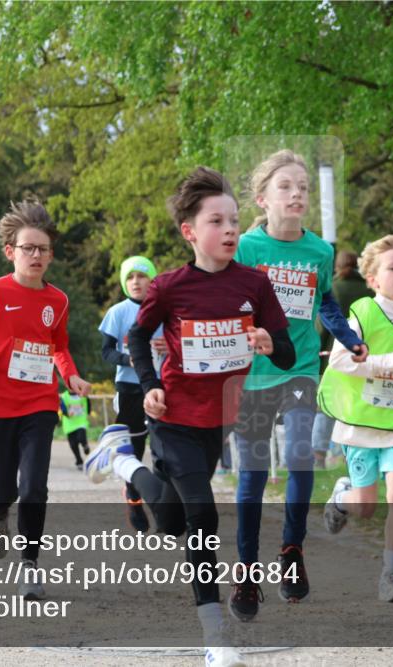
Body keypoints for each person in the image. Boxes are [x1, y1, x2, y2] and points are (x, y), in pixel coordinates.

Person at [84, 166, 293, 667]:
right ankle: (215, 637)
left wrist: (268, 343)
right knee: (202, 514)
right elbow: (137, 337)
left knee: (175, 519)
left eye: (235, 221)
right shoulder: (168, 287)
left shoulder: (255, 286)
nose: (229, 230)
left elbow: (285, 352)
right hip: (173, 416)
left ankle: (123, 461)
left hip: (217, 422)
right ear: (189, 231)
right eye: (217, 221)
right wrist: (151, 385)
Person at [230, 149, 368, 619]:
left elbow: (325, 301)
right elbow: (228, 305)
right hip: (252, 376)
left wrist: (348, 337)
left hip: (301, 368)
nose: (297, 195)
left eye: (303, 188)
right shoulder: (246, 248)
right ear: (262, 197)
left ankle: (292, 550)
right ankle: (246, 571)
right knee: (251, 473)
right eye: (286, 186)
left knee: (299, 457)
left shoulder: (320, 251)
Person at [0, 198, 92, 601]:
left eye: (43, 249)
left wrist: (71, 377)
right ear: (10, 251)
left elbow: (59, 347)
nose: (36, 255)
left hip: (39, 403)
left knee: (33, 486)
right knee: (2, 488)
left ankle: (29, 564)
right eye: (28, 248)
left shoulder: (58, 301)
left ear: (50, 255)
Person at [318, 234, 393, 603]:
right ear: (372, 279)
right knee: (366, 507)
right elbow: (340, 360)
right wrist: (385, 363)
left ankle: (390, 575)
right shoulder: (361, 312)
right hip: (359, 424)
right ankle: (342, 497)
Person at [97, 255, 165, 531]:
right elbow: (106, 351)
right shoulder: (118, 312)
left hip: (161, 386)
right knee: (134, 449)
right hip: (129, 388)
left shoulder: (165, 309)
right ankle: (134, 497)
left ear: (152, 279)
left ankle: (164, 507)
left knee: (163, 449)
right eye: (130, 277)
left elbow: (182, 342)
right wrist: (130, 360)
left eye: (142, 275)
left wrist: (170, 346)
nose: (136, 282)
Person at [313, 250, 372, 469]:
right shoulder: (367, 289)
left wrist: (316, 353)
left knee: (326, 406)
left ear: (336, 267)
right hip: (362, 355)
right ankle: (350, 454)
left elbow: (323, 326)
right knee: (355, 404)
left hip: (332, 357)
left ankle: (319, 454)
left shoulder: (333, 288)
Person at [59, 386, 90, 470]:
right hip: (69, 423)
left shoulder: (82, 394)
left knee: (81, 437)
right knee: (73, 444)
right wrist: (67, 413)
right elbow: (61, 407)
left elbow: (88, 403)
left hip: (81, 421)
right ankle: (79, 460)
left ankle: (85, 445)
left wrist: (88, 413)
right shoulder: (64, 396)